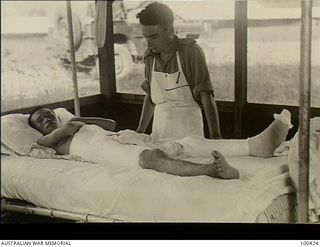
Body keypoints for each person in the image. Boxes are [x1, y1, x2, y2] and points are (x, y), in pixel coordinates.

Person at [28, 107, 292, 180]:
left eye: (50, 115)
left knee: (187, 141)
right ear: (36, 127)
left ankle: (254, 146)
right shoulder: (47, 139)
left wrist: (74, 118)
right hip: (98, 151)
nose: (48, 120)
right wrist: (68, 123)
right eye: (42, 119)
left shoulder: (75, 123)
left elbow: (109, 124)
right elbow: (51, 138)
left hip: (115, 139)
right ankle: (209, 170)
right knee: (152, 158)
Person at [135, 2, 222, 141]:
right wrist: (140, 131)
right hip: (158, 134)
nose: (149, 43)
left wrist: (216, 137)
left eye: (154, 37)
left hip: (189, 135)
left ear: (170, 30)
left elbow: (206, 96)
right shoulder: (149, 57)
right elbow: (150, 97)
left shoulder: (190, 52)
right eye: (145, 37)